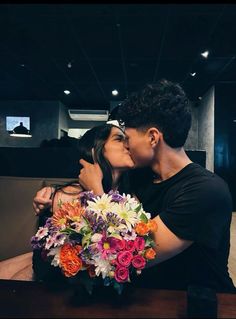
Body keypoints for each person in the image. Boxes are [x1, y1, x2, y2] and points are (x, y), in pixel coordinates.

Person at [33, 79, 235, 293]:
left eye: (127, 138)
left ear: (153, 137)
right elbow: (95, 187)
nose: (126, 145)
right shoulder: (140, 176)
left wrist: (97, 193)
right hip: (147, 296)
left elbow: (131, 255)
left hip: (197, 303)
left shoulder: (205, 191)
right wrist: (50, 198)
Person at [0, 123, 134, 281]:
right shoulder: (68, 198)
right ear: (96, 149)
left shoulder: (131, 199)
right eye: (119, 139)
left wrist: (96, 187)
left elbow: (116, 254)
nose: (128, 144)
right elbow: (53, 264)